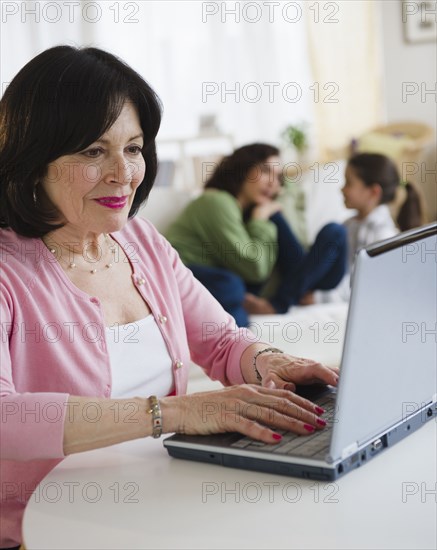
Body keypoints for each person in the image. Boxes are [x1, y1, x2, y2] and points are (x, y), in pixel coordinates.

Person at [0, 46, 339, 550]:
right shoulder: (9, 274)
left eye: (133, 148)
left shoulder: (142, 241)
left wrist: (269, 360)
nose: (123, 174)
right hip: (46, 529)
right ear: (34, 159)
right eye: (94, 151)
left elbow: (221, 340)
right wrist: (174, 413)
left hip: (161, 505)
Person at [166, 144, 347, 326]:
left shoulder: (248, 211)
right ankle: (279, 304)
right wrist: (260, 219)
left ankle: (288, 298)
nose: (272, 183)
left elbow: (292, 266)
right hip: (180, 276)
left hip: (235, 282)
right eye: (265, 171)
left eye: (278, 177)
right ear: (243, 168)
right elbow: (255, 268)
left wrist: (269, 213)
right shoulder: (216, 201)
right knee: (231, 287)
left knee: (335, 232)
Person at [313, 152, 426, 303]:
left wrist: (318, 297)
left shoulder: (383, 236)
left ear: (373, 192)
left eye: (348, 183)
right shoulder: (348, 224)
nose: (342, 189)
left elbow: (361, 286)